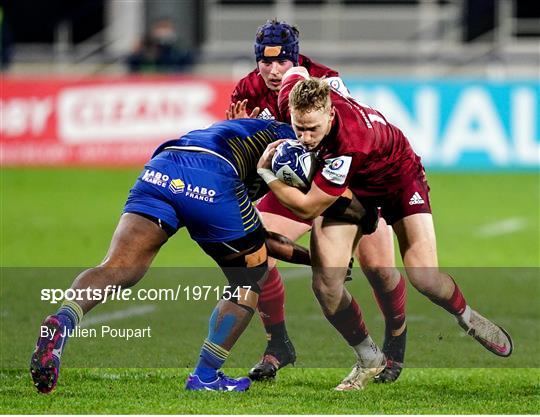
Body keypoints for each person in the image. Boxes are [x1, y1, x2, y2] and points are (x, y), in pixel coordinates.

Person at [256, 68, 513, 391]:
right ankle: (369, 358)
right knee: (326, 285)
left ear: (331, 114)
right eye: (299, 128)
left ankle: (466, 315)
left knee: (424, 277)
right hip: (356, 189)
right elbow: (295, 71)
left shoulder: (350, 143)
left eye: (312, 130)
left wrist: (266, 173)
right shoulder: (296, 94)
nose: (305, 138)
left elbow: (309, 207)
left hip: (398, 179)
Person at [30, 118, 329, 394]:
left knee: (118, 266)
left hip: (163, 166)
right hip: (212, 176)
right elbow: (260, 240)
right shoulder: (296, 147)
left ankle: (62, 320)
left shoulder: (258, 130)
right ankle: (205, 376)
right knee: (250, 276)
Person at [226, 19, 406, 383]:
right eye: (265, 62)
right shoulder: (246, 91)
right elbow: (245, 163)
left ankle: (396, 345)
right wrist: (240, 132)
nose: (274, 71)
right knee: (250, 250)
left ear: (296, 59)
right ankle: (278, 345)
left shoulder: (324, 81)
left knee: (382, 270)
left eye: (282, 62)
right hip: (290, 188)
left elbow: (350, 140)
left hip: (345, 186)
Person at [126, 18, 193, 74]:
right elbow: (132, 64)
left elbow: (187, 62)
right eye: (160, 28)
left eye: (166, 27)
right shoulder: (146, 47)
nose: (163, 32)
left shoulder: (178, 48)